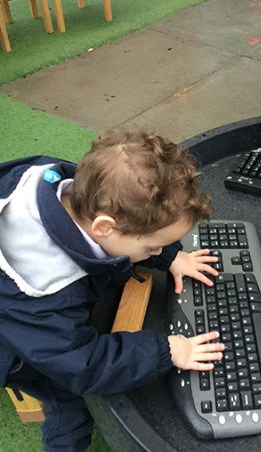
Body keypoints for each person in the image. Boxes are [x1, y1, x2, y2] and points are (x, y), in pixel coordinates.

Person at [0, 129, 225, 451]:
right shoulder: (44, 292)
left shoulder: (63, 186)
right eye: (151, 247)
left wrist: (170, 256)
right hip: (16, 345)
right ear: (104, 227)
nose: (156, 251)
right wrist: (166, 350)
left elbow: (130, 227)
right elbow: (83, 365)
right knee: (71, 400)